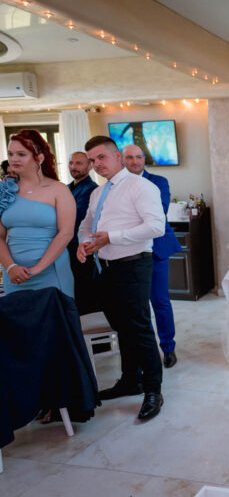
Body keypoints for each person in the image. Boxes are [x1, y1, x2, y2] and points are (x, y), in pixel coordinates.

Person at [77, 135, 166, 421]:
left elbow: (156, 226)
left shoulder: (141, 186)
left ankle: (153, 390)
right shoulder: (97, 193)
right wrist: (83, 242)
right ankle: (130, 380)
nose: (96, 164)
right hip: (105, 268)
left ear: (117, 156)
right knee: (121, 328)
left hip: (133, 265)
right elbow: (87, 224)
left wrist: (111, 237)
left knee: (139, 327)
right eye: (92, 160)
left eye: (101, 157)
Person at [123, 144, 182, 368]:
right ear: (123, 160)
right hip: (128, 251)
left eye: (139, 157)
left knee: (160, 301)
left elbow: (159, 212)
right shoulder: (116, 185)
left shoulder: (159, 182)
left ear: (144, 159)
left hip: (156, 250)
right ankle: (145, 351)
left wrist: (126, 217)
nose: (135, 161)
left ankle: (168, 348)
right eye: (130, 157)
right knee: (137, 306)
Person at [0, 129, 76, 297]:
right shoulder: (4, 191)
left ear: (39, 158)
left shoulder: (59, 190)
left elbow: (66, 233)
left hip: (51, 273)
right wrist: (11, 267)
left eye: (21, 154)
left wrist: (36, 269)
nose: (14, 159)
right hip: (14, 276)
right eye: (11, 154)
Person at [67, 151, 99, 311]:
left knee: (82, 291)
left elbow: (77, 216)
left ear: (90, 166)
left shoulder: (92, 189)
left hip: (80, 246)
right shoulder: (67, 187)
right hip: (66, 246)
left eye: (79, 163)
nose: (73, 167)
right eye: (71, 163)